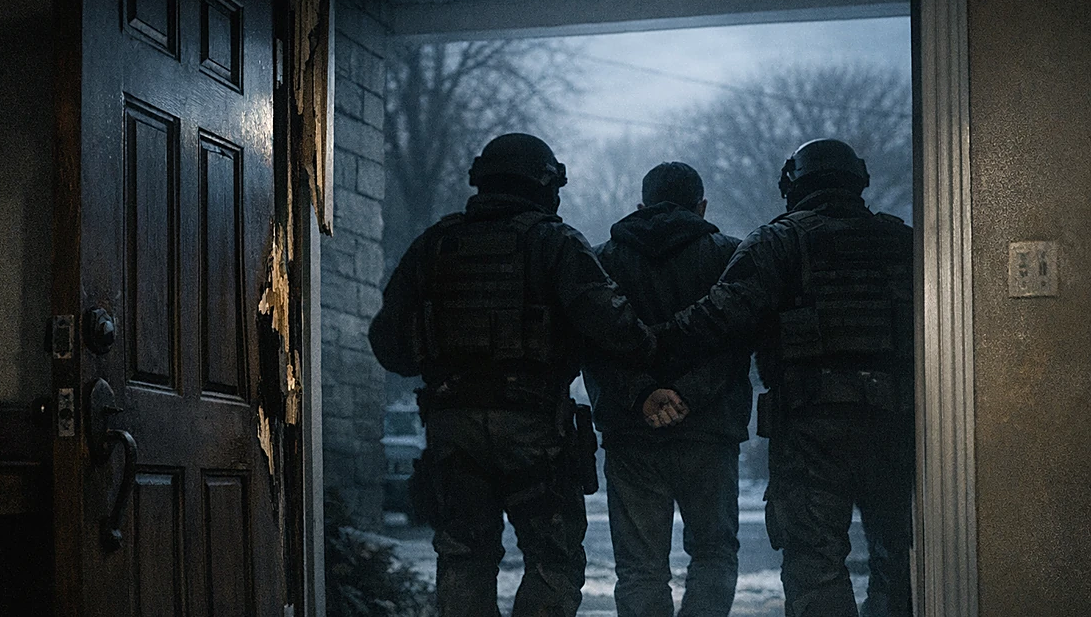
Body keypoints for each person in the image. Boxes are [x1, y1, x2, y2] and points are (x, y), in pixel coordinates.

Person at [369, 133, 657, 617]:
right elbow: (616, 330)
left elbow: (389, 345)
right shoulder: (555, 242)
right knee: (553, 559)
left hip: (452, 424)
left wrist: (446, 356)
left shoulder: (435, 244)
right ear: (545, 184)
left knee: (464, 556)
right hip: (533, 426)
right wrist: (652, 346)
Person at [650, 139, 915, 617]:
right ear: (858, 180)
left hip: (811, 426)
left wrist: (650, 341)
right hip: (895, 420)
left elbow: (720, 316)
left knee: (815, 562)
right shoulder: (903, 241)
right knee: (898, 559)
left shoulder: (779, 240)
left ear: (792, 184)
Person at [582, 162, 752, 617]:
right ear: (702, 207)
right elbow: (738, 345)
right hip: (710, 430)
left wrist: (642, 395)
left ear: (642, 205)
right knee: (713, 553)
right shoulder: (730, 256)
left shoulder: (602, 259)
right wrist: (688, 394)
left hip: (631, 431)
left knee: (640, 566)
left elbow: (594, 346)